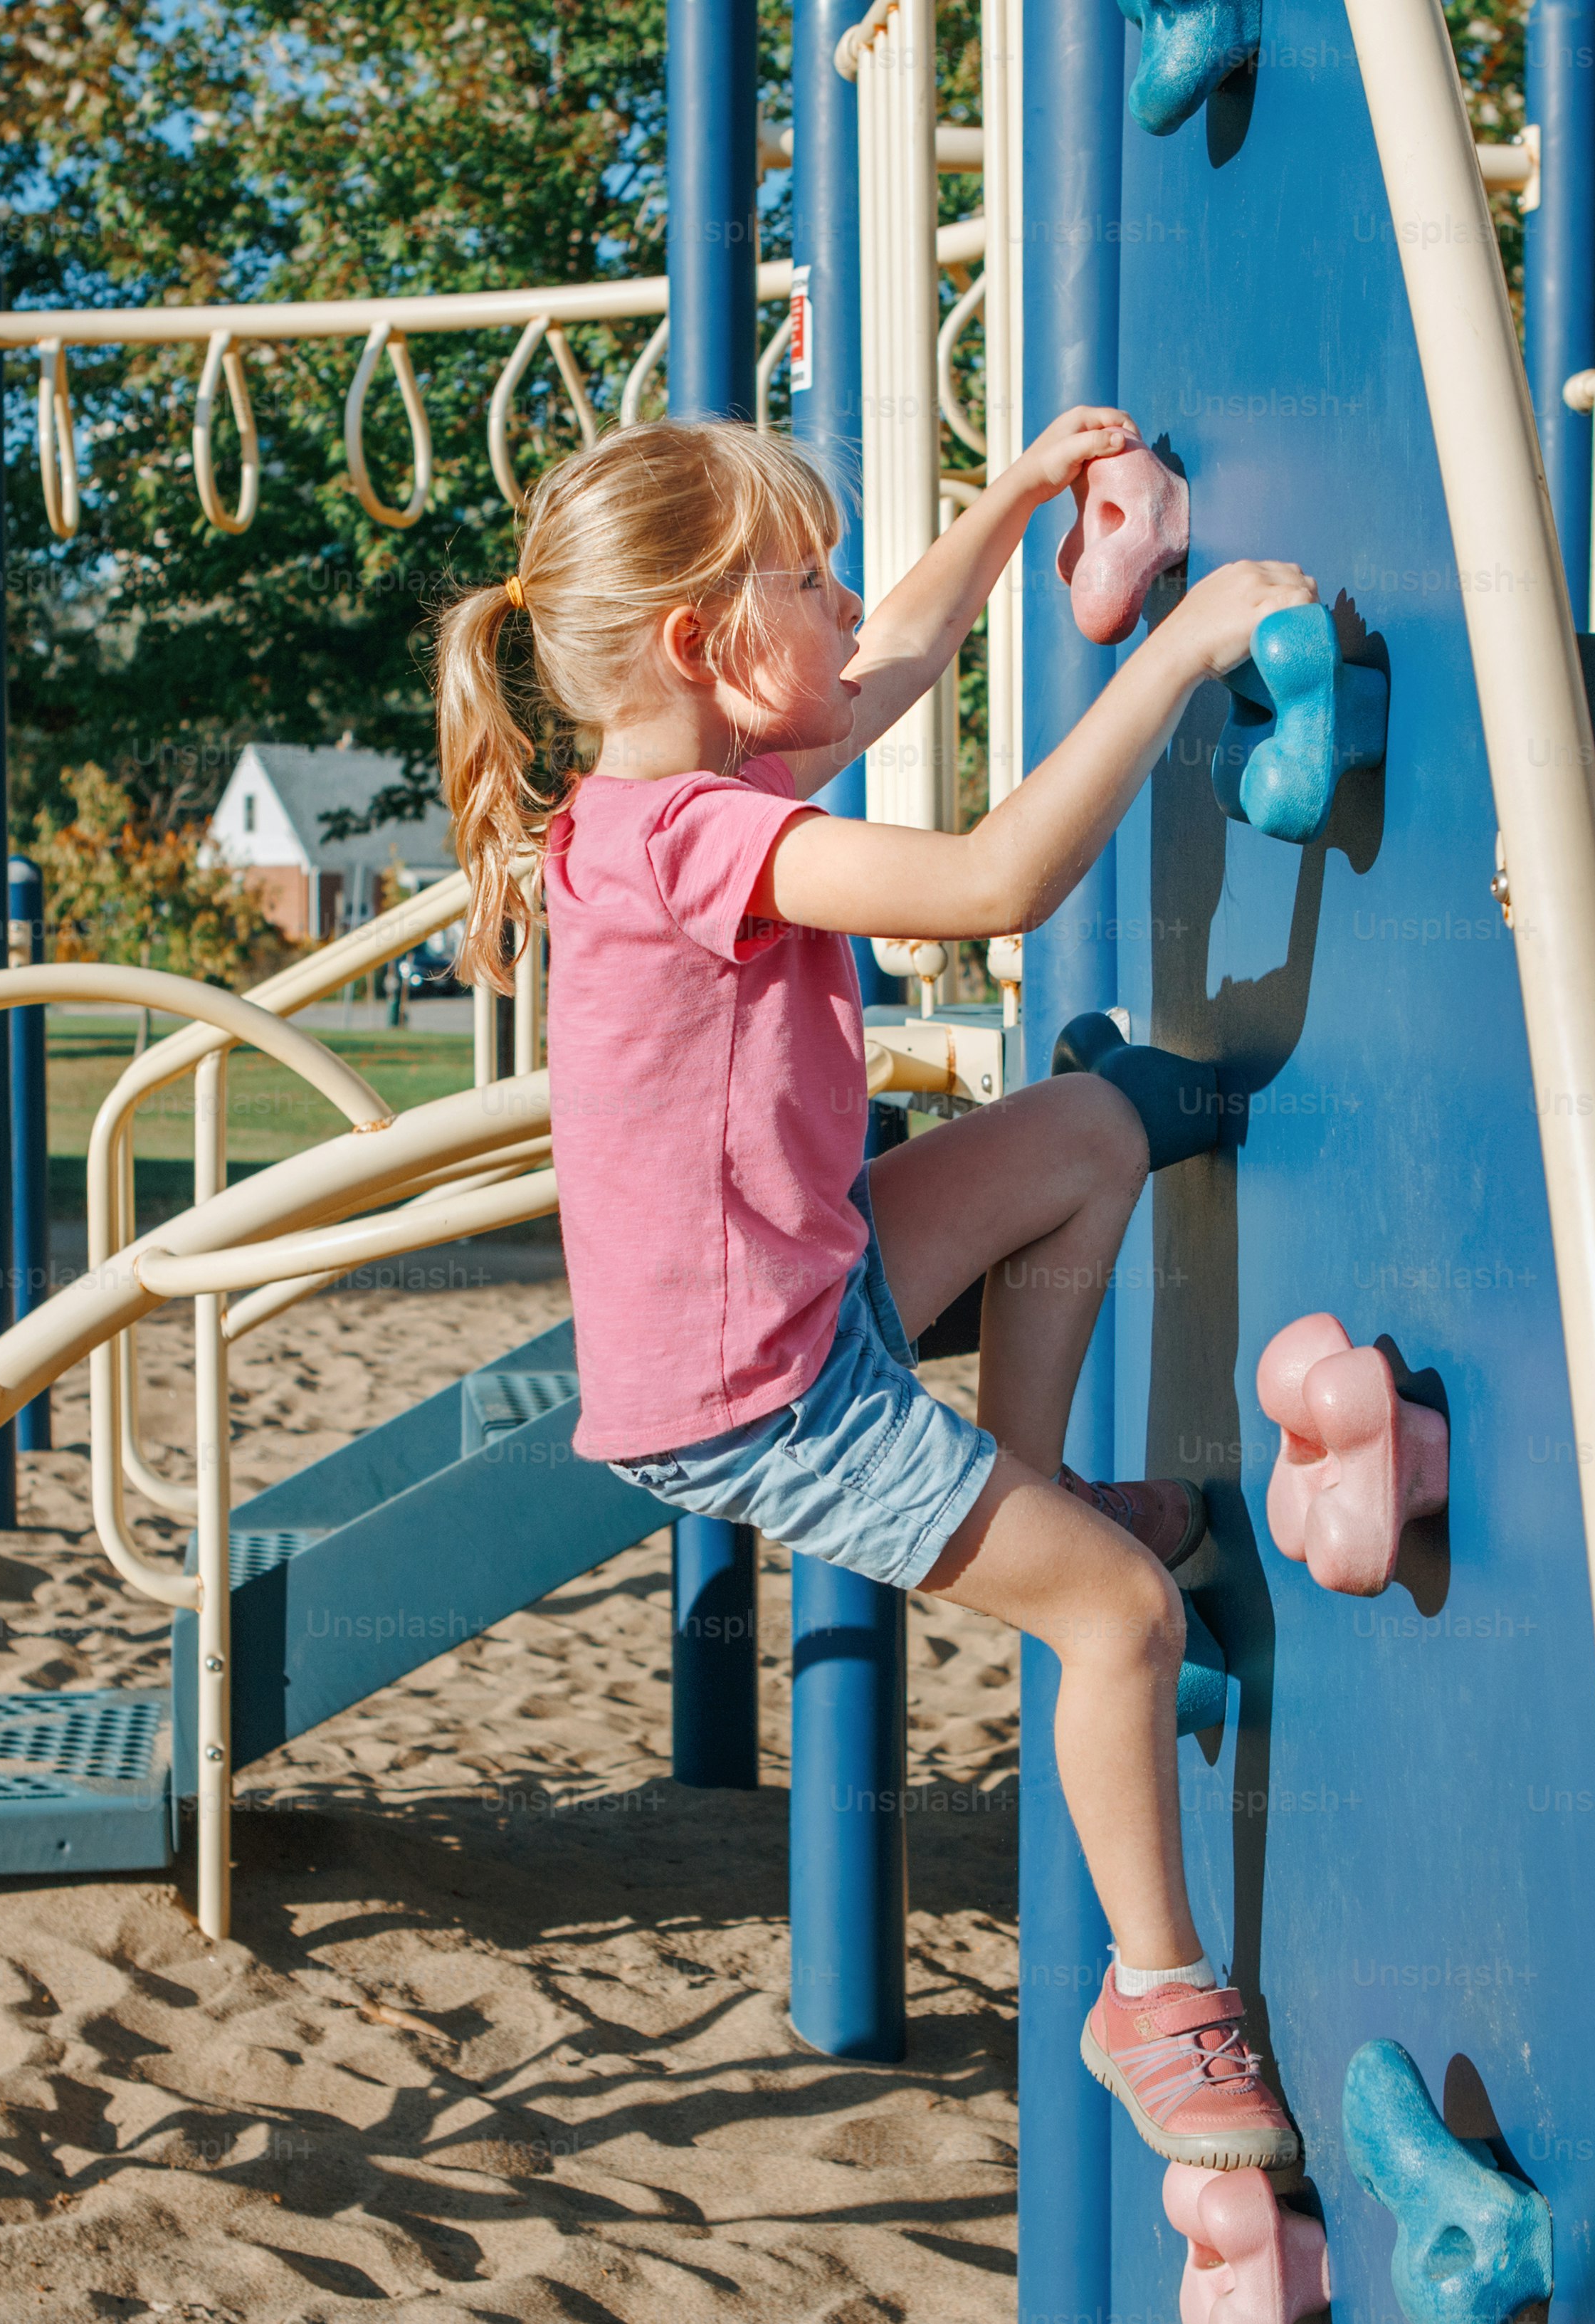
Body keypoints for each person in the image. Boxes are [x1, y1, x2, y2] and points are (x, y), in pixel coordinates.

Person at [431, 411, 1316, 2170]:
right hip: (757, 1391)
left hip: (800, 1287)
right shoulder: (692, 837)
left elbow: (889, 657)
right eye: (808, 577)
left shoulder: (695, 779)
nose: (846, 603)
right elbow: (990, 887)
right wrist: (1190, 651)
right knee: (1121, 1616)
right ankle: (1154, 1998)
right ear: (701, 644)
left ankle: (1037, 1481)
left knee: (1079, 1134)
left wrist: (1001, 510)